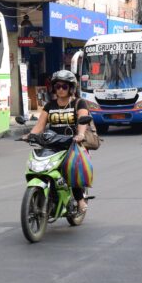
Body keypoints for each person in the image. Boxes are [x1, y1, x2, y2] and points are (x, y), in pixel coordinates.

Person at [26, 69, 90, 213]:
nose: (60, 90)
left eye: (64, 86)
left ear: (71, 88)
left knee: (71, 169)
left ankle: (79, 200)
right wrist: (29, 135)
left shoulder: (79, 103)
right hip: (52, 143)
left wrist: (80, 134)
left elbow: (82, 120)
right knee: (41, 166)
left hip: (72, 144)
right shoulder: (50, 105)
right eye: (57, 86)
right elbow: (40, 125)